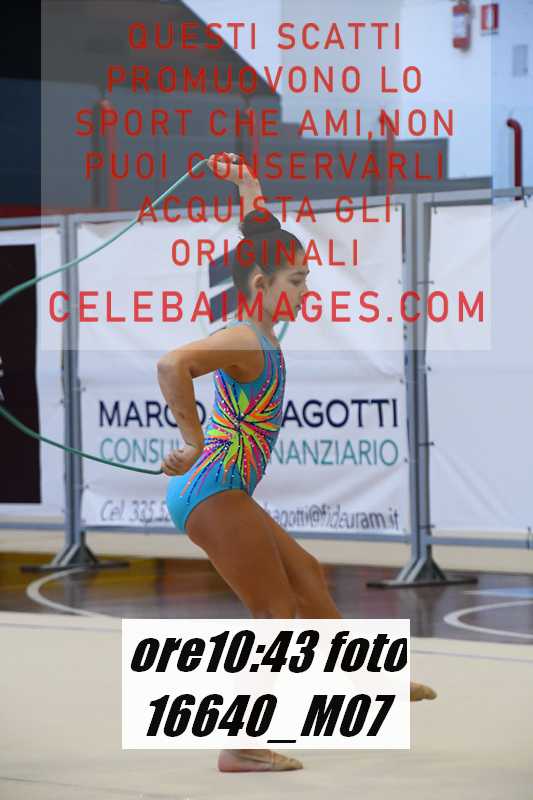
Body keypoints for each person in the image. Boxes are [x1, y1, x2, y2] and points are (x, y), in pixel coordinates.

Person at [157, 152, 436, 773]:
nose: (307, 291)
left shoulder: (260, 331)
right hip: (211, 488)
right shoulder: (242, 338)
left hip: (222, 487)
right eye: (298, 281)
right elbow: (172, 363)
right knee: (274, 613)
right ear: (262, 286)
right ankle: (241, 743)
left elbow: (259, 235)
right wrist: (193, 439)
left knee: (306, 574)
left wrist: (248, 185)